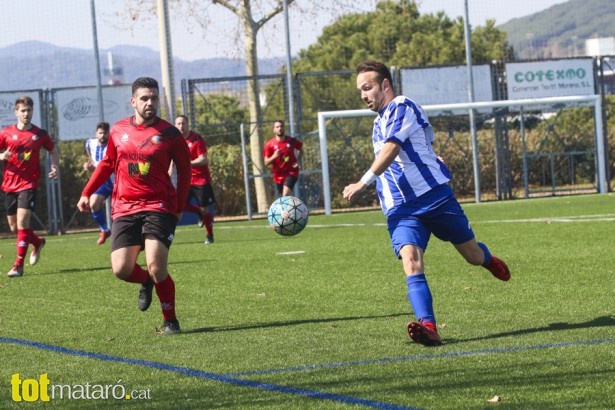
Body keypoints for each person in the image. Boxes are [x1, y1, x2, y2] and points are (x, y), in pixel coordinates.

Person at [343, 61, 510, 347]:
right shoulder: (377, 124)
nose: (363, 95)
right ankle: (428, 326)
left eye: (368, 87)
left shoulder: (403, 106)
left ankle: (487, 259)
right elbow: (417, 147)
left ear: (385, 85)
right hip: (401, 209)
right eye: (360, 90)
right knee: (411, 261)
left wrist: (363, 181)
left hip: (434, 198)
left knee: (470, 255)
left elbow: (393, 147)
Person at [77, 77, 191, 335]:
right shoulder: (118, 130)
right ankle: (145, 282)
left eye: (154, 98)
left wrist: (179, 205)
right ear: (133, 101)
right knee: (121, 269)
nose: (150, 102)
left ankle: (170, 320)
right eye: (144, 98)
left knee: (156, 264)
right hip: (125, 207)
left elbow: (185, 171)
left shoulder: (171, 134)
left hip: (159, 205)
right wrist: (87, 192)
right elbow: (107, 164)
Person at [0, 96, 59, 278]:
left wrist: (54, 166)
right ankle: (38, 242)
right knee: (14, 227)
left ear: (32, 112)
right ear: (16, 112)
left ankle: (18, 265)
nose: (26, 114)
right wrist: (2, 156)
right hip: (9, 184)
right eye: (23, 111)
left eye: (29, 111)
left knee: (22, 223)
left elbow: (52, 149)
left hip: (29, 183)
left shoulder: (40, 134)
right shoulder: (6, 133)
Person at [174, 115, 216, 244]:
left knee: (205, 209)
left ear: (188, 124)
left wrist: (187, 164)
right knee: (178, 207)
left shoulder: (197, 139)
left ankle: (209, 235)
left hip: (200, 179)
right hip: (185, 179)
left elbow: (203, 159)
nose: (181, 126)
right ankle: (198, 212)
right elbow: (171, 157)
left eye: (183, 123)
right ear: (175, 126)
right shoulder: (175, 140)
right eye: (179, 124)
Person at [83, 121, 113, 245]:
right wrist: (89, 165)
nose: (102, 136)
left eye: (105, 133)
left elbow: (108, 167)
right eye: (100, 133)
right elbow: (92, 160)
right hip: (102, 182)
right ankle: (104, 230)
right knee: (93, 202)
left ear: (109, 134)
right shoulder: (90, 143)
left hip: (115, 180)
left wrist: (94, 168)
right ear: (96, 133)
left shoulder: (113, 145)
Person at [263, 119, 303, 197]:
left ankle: (292, 208)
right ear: (274, 130)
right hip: (278, 175)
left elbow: (301, 150)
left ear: (284, 128)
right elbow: (266, 162)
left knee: (285, 193)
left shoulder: (291, 141)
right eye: (277, 127)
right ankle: (292, 208)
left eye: (281, 126)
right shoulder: (269, 144)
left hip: (292, 172)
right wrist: (274, 156)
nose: (280, 128)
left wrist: (298, 161)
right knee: (285, 196)